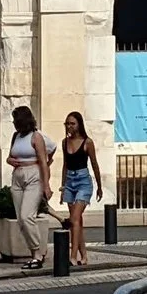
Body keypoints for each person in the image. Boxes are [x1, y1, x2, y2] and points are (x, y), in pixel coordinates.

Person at [7, 104, 54, 270]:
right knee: (21, 220)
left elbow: (43, 162)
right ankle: (35, 252)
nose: (14, 123)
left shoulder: (36, 137)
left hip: (33, 174)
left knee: (27, 216)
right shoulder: (15, 136)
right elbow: (10, 156)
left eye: (16, 120)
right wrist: (10, 160)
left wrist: (46, 185)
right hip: (17, 175)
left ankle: (37, 253)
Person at [59, 111, 97, 269]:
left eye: (72, 123)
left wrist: (100, 186)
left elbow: (94, 164)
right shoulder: (64, 142)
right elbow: (65, 165)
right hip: (70, 181)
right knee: (77, 221)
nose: (69, 126)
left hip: (83, 181)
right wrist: (62, 187)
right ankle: (84, 256)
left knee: (74, 219)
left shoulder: (87, 142)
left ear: (79, 124)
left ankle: (73, 256)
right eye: (67, 123)